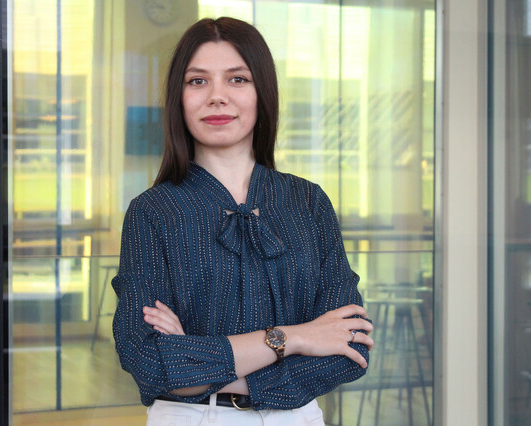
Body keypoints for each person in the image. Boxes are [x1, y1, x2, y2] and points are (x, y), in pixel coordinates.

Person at [112, 17, 373, 426]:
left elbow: (350, 350)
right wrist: (297, 338)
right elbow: (148, 361)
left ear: (262, 93)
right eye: (197, 81)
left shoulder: (308, 202)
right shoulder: (153, 212)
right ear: (178, 97)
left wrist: (196, 362)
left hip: (297, 419)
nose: (217, 97)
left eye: (237, 79)